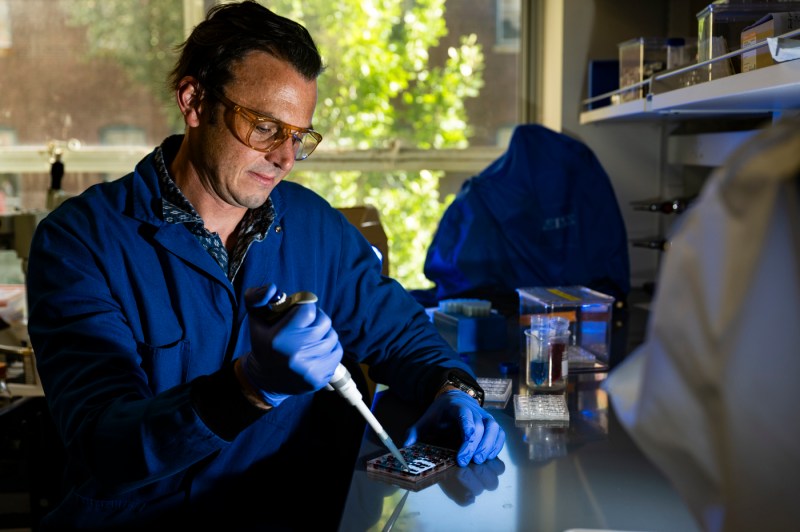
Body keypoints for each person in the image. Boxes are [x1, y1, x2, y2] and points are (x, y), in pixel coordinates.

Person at [25, 2, 505, 530]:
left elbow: (403, 334)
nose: (284, 158)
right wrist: (249, 387)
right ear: (195, 101)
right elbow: (105, 446)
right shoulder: (81, 242)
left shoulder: (312, 227)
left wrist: (454, 390)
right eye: (265, 127)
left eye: (299, 136)